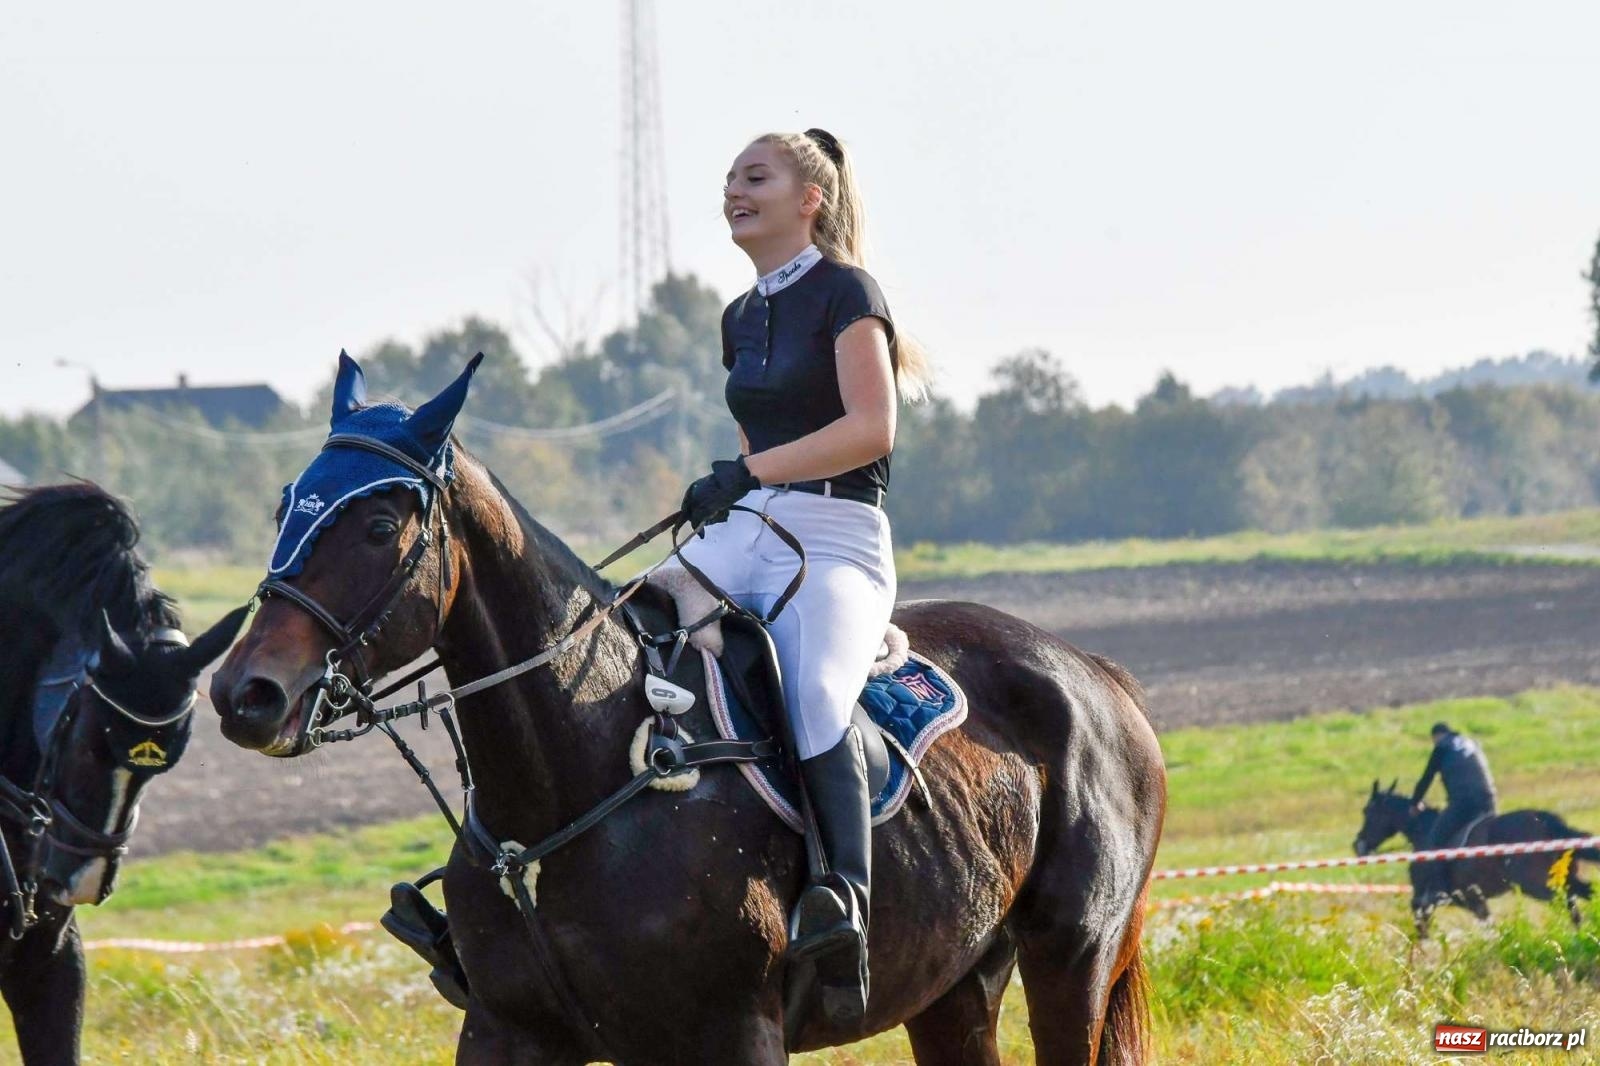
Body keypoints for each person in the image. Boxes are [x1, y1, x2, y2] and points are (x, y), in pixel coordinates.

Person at [673, 128, 930, 1027]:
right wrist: (734, 488)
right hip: (756, 527)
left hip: (838, 534)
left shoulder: (848, 292)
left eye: (755, 177)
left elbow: (872, 430)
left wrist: (751, 472)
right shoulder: (738, 318)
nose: (734, 191)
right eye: (730, 180)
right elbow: (759, 451)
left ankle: (845, 904)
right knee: (627, 626)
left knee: (819, 694)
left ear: (808, 198)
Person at [1411, 721, 1498, 906]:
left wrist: (1415, 802)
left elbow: (1427, 777)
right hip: (1488, 799)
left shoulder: (1441, 747)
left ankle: (1441, 890)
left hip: (1464, 804)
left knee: (1435, 841)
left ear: (1436, 736)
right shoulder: (1471, 742)